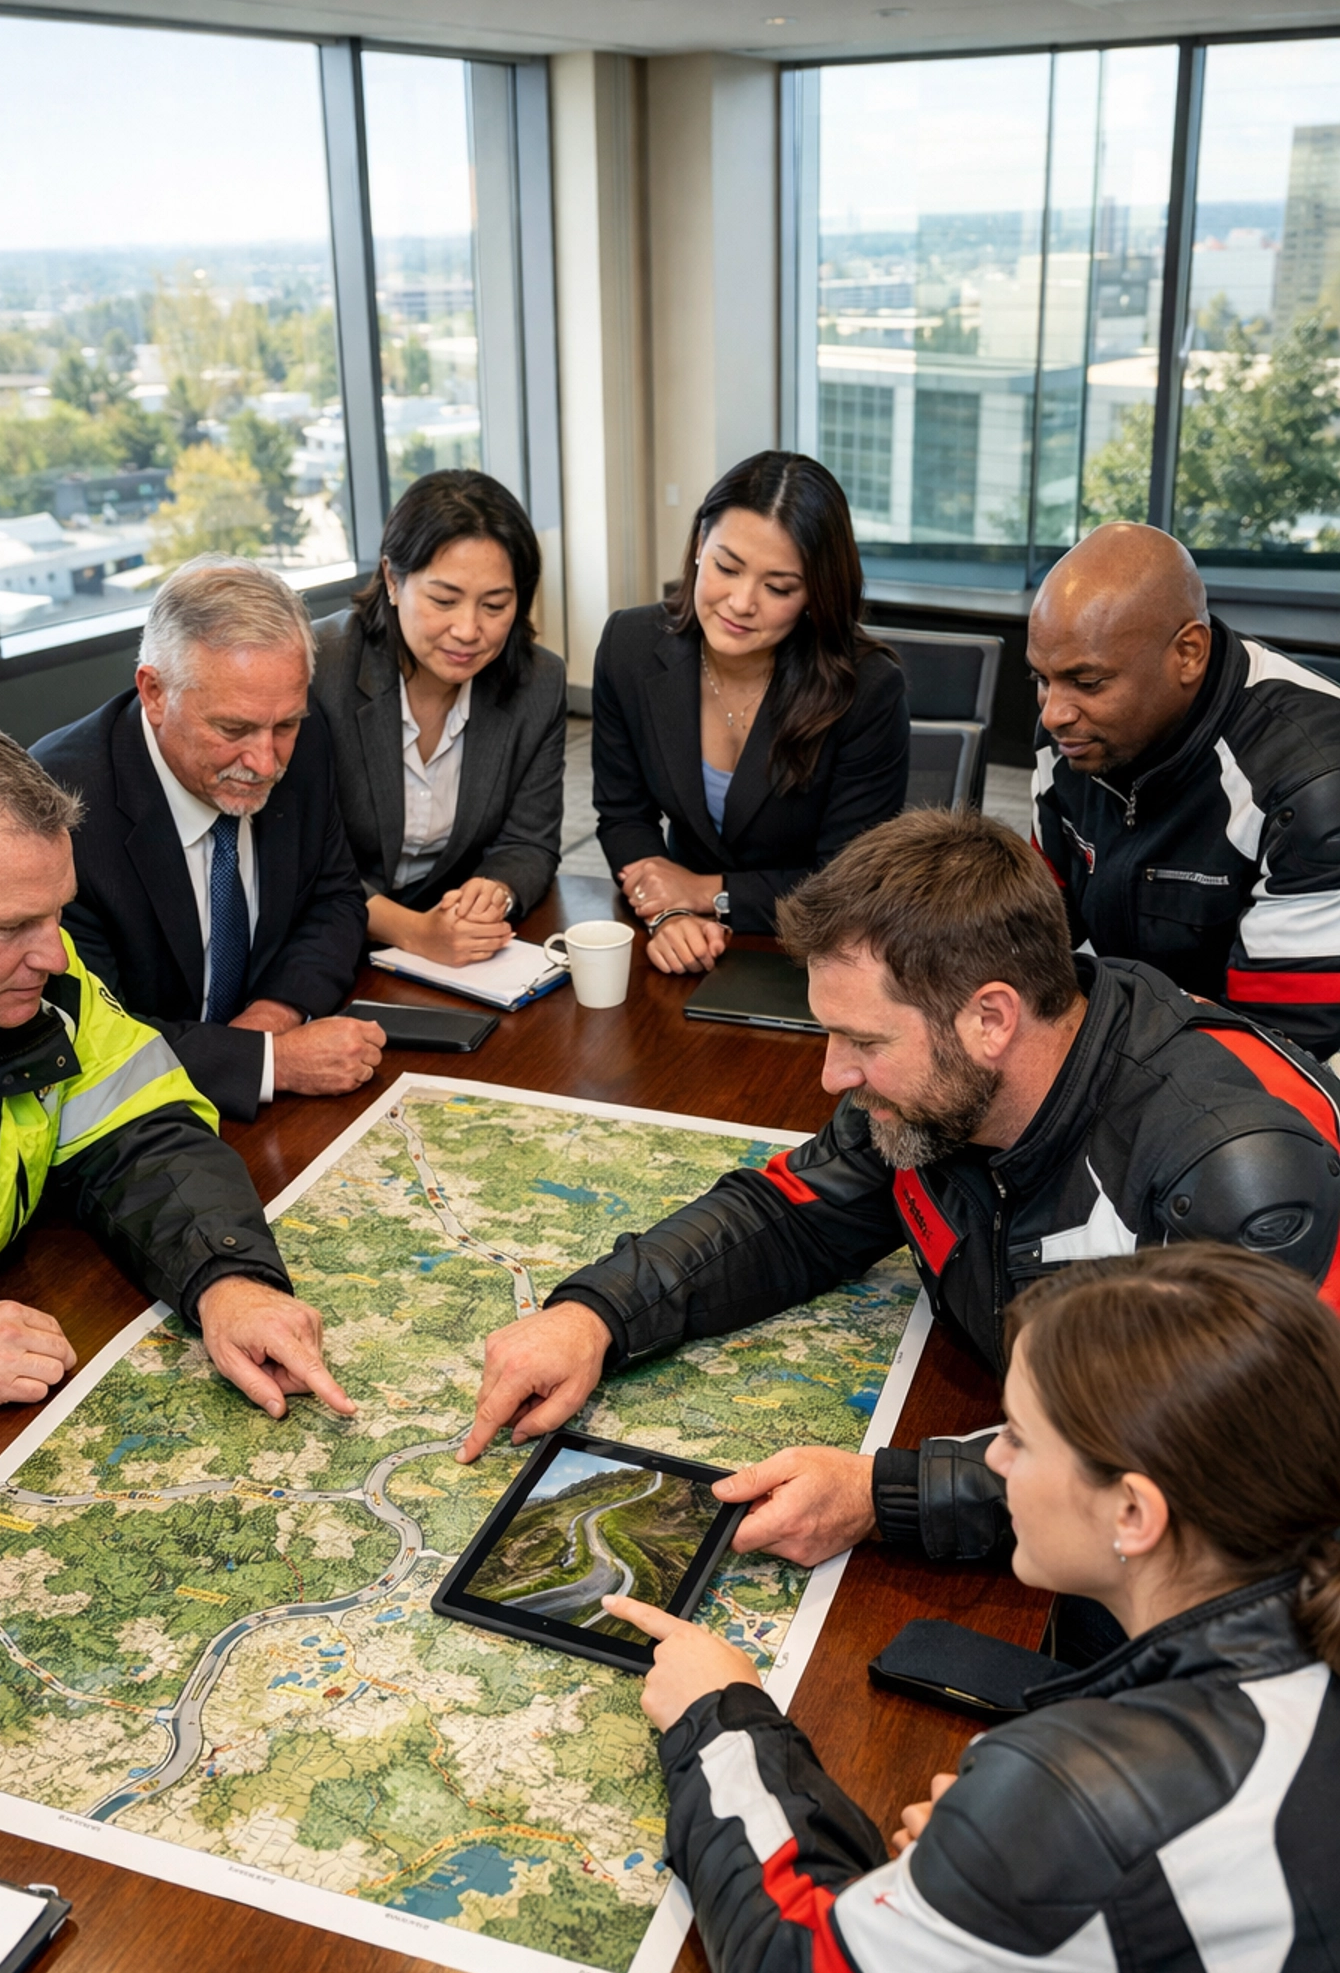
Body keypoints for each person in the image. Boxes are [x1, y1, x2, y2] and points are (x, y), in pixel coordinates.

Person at [603, 1243, 1340, 1973]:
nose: (991, 1462)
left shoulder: (1093, 1794)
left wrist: (720, 1718)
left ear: (1135, 1514)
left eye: (1021, 1442)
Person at [460, 810, 1340, 1593]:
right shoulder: (938, 1090)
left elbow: (1181, 1475)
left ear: (991, 1019)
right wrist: (596, 1315)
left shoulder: (1236, 1171)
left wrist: (883, 1499)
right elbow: (788, 1215)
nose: (832, 1074)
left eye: (862, 1041)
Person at [0, 711, 357, 1444]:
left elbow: (144, 1127)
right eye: (10, 928)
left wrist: (228, 1280)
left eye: (56, 914)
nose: (56, 958)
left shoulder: (34, 976)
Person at [34, 557, 377, 1124]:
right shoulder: (60, 808)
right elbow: (89, 1033)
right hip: (127, 1129)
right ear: (154, 693)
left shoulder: (306, 743)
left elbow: (334, 900)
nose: (265, 762)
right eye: (233, 729)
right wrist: (269, 1061)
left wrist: (273, 1016)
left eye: (285, 726)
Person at [1030, 520, 1340, 1064]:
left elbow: (1278, 1050)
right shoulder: (1071, 740)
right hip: (1147, 1039)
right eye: (1040, 679)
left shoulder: (1314, 783)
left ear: (1188, 654)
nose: (1054, 713)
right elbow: (1033, 937)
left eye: (1088, 682)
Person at [592, 450, 909, 974]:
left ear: (814, 593)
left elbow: (847, 881)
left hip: (816, 954)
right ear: (699, 547)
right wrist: (669, 912)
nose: (741, 602)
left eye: (779, 587)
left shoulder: (868, 689)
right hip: (681, 942)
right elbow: (624, 814)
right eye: (727, 567)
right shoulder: (628, 646)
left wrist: (705, 892)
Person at [312, 470, 565, 969]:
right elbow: (302, 862)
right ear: (392, 579)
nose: (468, 630)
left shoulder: (537, 682)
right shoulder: (321, 668)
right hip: (325, 942)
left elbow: (529, 842)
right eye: (444, 601)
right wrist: (414, 931)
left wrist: (493, 892)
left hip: (463, 948)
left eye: (495, 605)